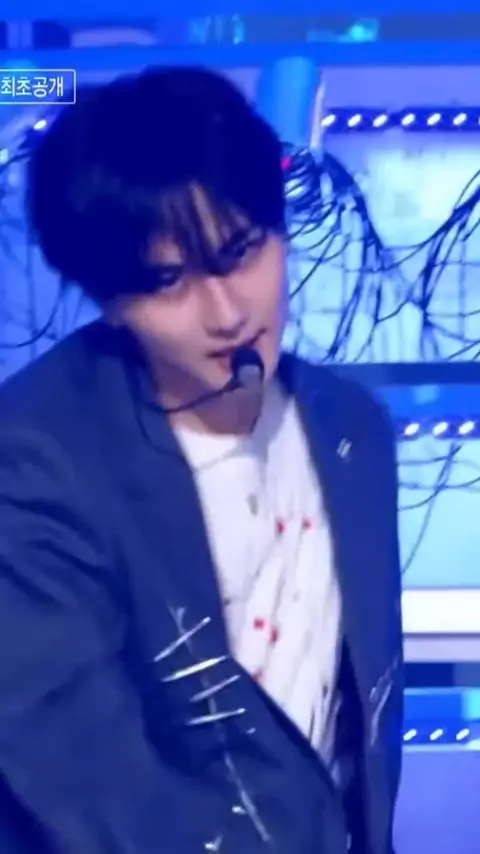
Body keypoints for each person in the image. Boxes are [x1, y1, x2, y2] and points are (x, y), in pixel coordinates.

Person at [0, 67, 403, 854]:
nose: (226, 312)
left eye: (240, 252)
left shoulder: (353, 431)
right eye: (166, 282)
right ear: (109, 299)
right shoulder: (34, 461)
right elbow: (88, 784)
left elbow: (358, 744)